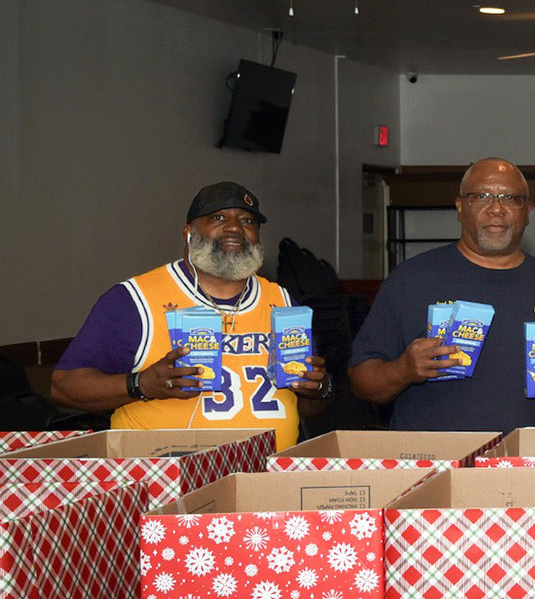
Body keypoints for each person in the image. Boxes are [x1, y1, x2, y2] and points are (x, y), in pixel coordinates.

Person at [51, 181, 332, 450]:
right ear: (189, 232)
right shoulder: (134, 300)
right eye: (218, 217)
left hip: (264, 480)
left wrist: (318, 388)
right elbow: (64, 387)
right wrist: (141, 384)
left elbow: (308, 407)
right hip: (168, 483)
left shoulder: (282, 300)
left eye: (247, 221)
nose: (234, 227)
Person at [349, 158, 535, 432]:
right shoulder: (410, 280)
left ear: (527, 212)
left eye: (510, 198)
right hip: (433, 465)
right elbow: (360, 382)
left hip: (525, 466)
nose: (497, 208)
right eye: (482, 196)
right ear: (460, 207)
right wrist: (402, 370)